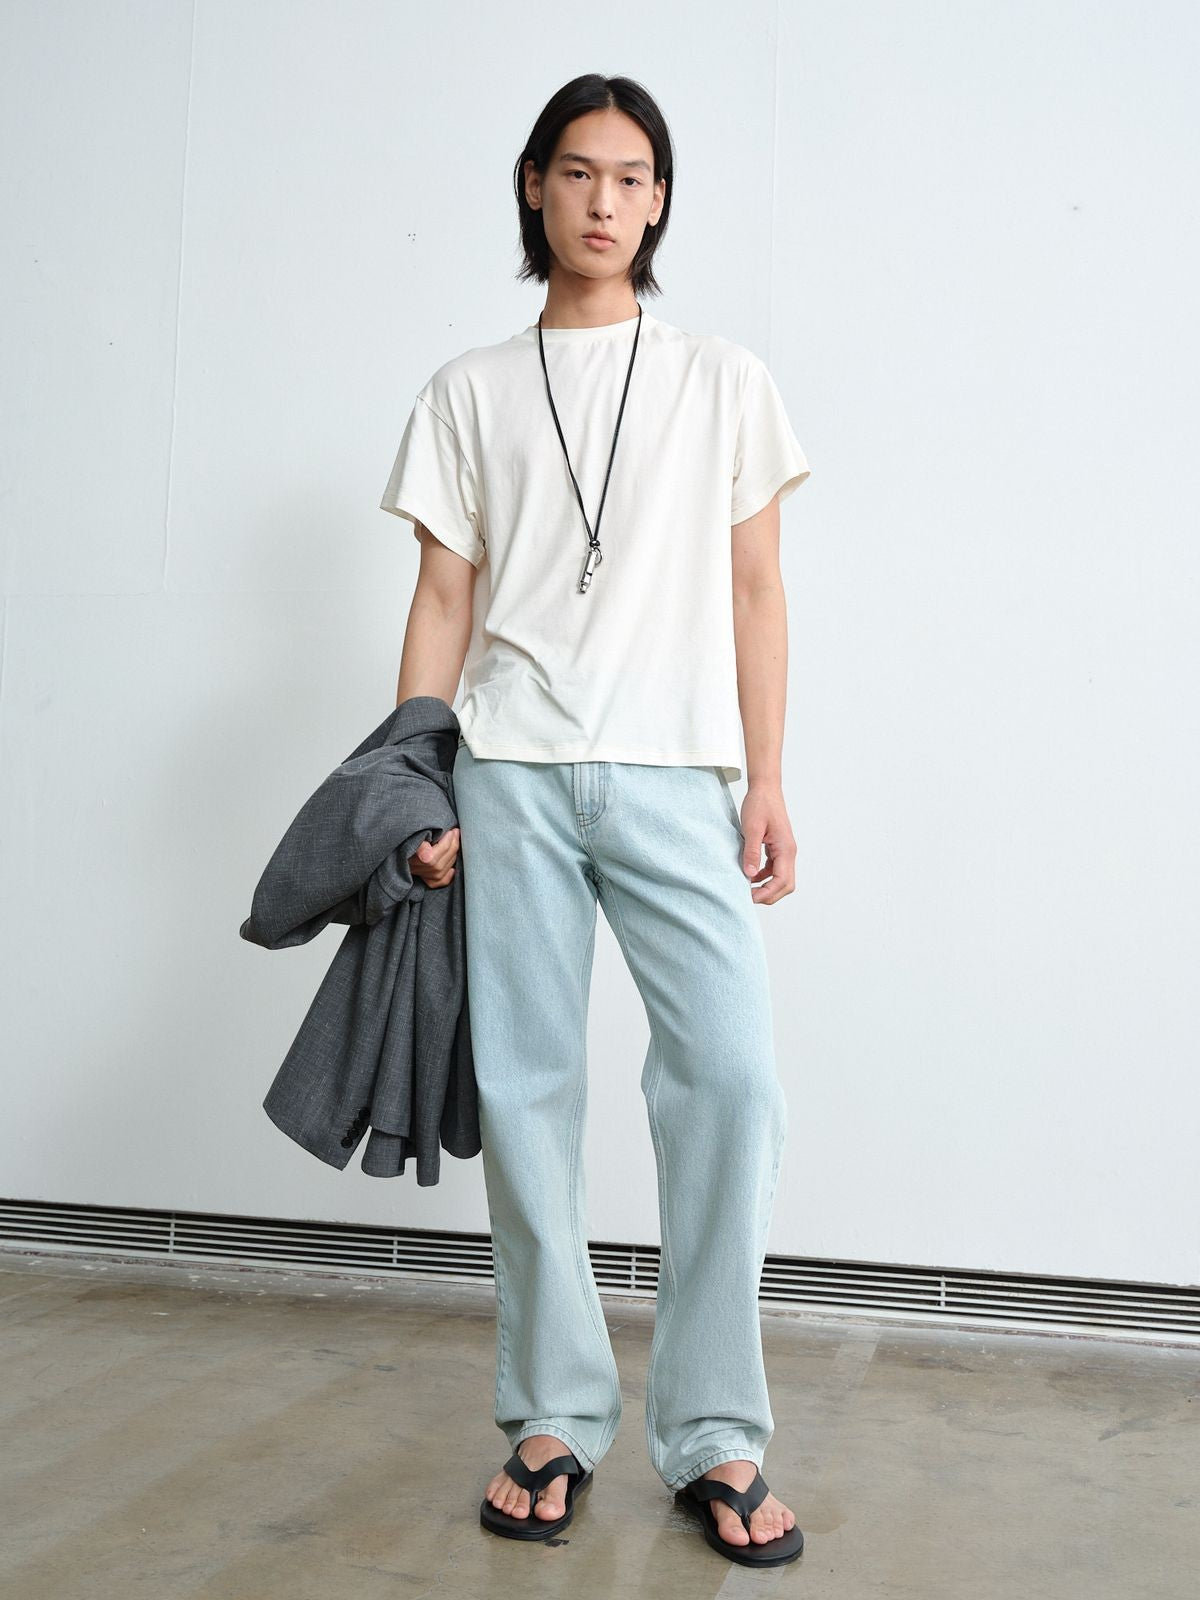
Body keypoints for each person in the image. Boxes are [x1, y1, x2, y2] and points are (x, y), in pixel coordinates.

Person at [379, 73, 811, 1568]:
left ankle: (717, 1429)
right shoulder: (468, 389)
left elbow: (756, 588)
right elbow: (443, 602)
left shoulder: (722, 380)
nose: (604, 201)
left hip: (679, 773)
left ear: (661, 200)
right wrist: (413, 784)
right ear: (533, 187)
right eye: (578, 173)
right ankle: (554, 1413)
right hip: (507, 772)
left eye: (632, 177)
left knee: (732, 1081)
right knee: (527, 1095)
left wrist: (767, 777)